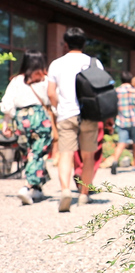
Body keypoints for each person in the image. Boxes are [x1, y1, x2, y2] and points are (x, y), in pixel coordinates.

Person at [47, 27, 103, 212]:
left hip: (66, 114)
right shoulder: (94, 63)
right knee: (88, 157)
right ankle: (83, 196)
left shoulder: (56, 64)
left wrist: (58, 108)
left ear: (65, 44)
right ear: (84, 43)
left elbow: (50, 93)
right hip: (89, 114)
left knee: (66, 154)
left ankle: (65, 191)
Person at [1, 50, 53, 205]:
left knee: (29, 154)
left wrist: (6, 124)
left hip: (21, 120)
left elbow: (7, 104)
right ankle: (27, 187)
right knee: (37, 154)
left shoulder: (17, 80)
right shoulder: (45, 81)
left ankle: (37, 189)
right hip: (40, 119)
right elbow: (53, 99)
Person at [110, 71, 135, 174]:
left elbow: (112, 106)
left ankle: (115, 161)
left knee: (121, 143)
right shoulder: (134, 91)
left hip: (121, 120)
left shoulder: (116, 91)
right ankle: (134, 165)